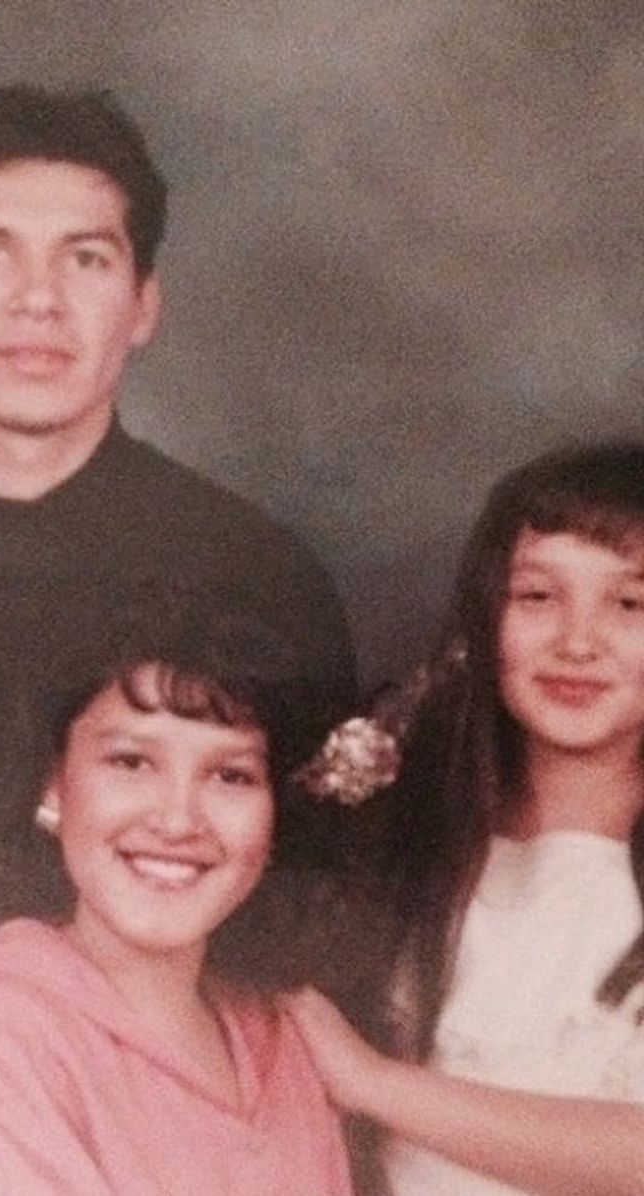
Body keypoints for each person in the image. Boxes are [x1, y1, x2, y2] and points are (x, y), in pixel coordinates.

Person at [0, 83, 356, 977]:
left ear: (143, 306)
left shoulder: (257, 576)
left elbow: (306, 920)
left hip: (142, 1049)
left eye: (86, 259)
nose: (38, 299)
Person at [0, 585, 354, 1194]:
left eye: (231, 775)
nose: (177, 820)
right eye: (131, 763)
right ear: (53, 785)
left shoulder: (279, 1034)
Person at [285, 442, 644, 1195]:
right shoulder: (408, 829)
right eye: (537, 597)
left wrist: (369, 1080)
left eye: (630, 605)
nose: (577, 642)